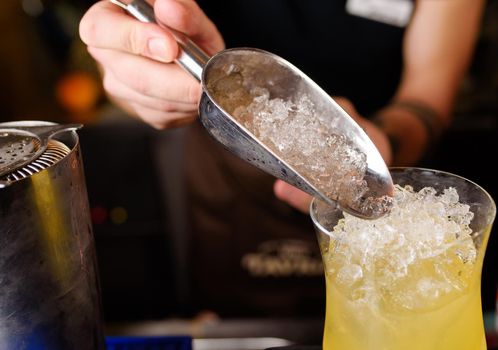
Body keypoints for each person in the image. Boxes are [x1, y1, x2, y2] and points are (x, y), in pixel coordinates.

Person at [79, 0, 485, 319]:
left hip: (380, 173)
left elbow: (428, 95)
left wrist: (387, 141)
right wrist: (134, 77)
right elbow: (130, 43)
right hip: (223, 172)